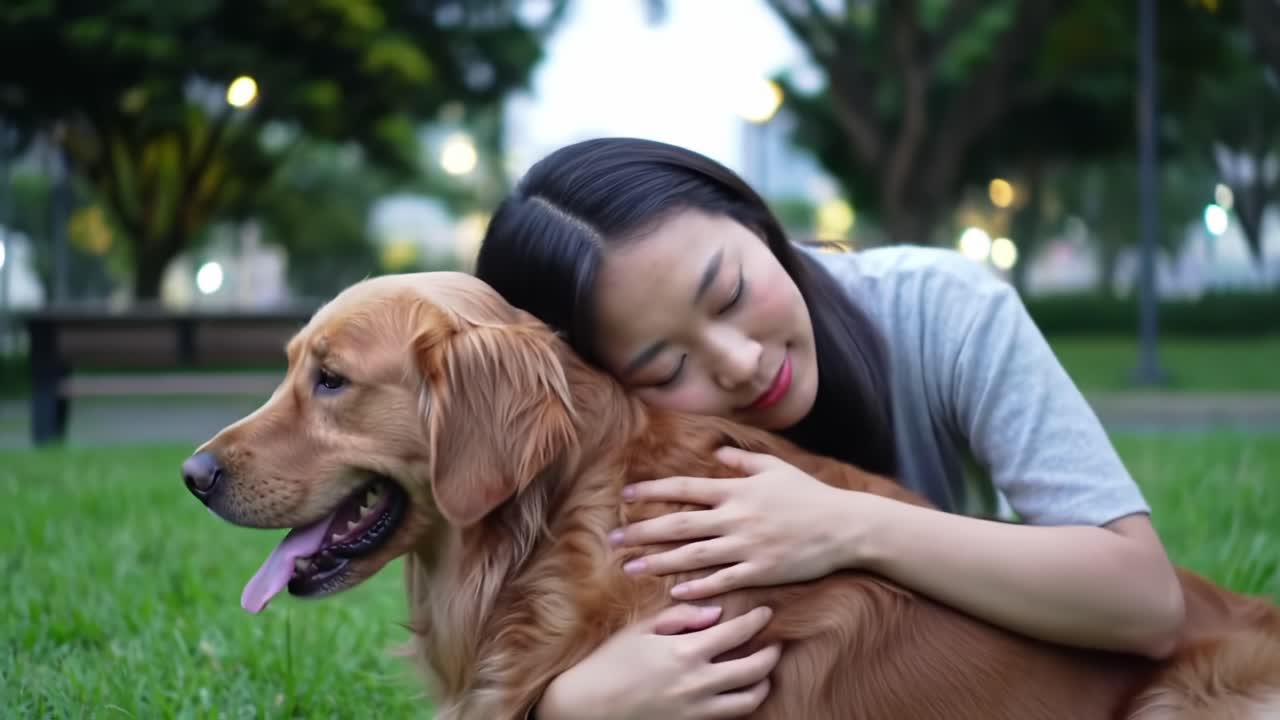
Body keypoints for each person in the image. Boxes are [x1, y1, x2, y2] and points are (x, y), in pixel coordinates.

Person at [473, 137, 1185, 720]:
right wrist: (566, 708)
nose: (743, 363)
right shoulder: (625, 476)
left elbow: (1145, 602)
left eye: (730, 293)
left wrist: (847, 526)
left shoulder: (943, 309)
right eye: (666, 369)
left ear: (754, 219)